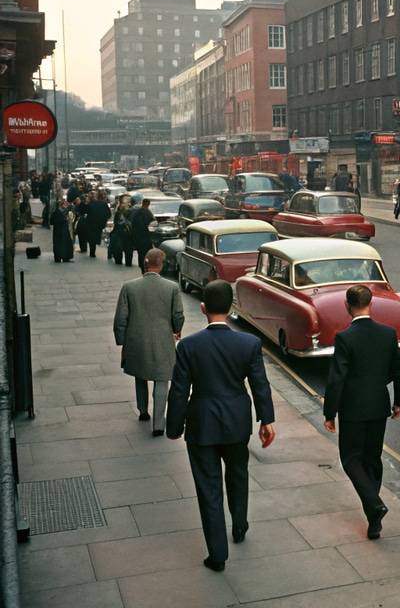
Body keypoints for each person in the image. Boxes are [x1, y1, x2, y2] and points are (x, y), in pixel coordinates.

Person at [167, 280, 275, 573]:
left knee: (209, 489)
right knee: (238, 475)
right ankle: (239, 526)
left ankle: (217, 555)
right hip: (238, 424)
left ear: (202, 308)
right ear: (231, 308)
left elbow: (179, 391)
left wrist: (174, 426)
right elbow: (259, 385)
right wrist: (267, 420)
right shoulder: (249, 344)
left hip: (202, 426)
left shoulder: (189, 346)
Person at [323, 285, 400, 540]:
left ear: (347, 306)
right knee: (372, 459)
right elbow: (397, 370)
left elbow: (337, 379)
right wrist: (398, 401)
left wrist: (329, 412)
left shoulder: (345, 337)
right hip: (379, 406)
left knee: (350, 459)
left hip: (353, 410)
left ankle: (375, 505)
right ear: (371, 304)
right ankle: (374, 520)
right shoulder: (388, 333)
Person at [113, 248, 184, 435]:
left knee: (140, 374)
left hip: (136, 339)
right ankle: (159, 424)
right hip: (162, 339)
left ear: (146, 264)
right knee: (162, 379)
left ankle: (143, 411)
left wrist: (122, 341)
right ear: (161, 265)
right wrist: (177, 330)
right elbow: (178, 314)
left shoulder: (129, 287)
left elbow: (121, 317)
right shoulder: (171, 288)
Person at [129, 197, 155, 271]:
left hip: (137, 235)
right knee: (146, 251)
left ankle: (141, 265)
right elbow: (151, 222)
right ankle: (145, 265)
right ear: (147, 204)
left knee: (140, 252)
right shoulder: (145, 212)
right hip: (144, 235)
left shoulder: (137, 212)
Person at [86, 190, 111, 258]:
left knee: (92, 239)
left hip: (92, 224)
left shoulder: (91, 204)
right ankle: (110, 253)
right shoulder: (104, 204)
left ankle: (92, 252)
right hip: (101, 224)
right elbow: (109, 214)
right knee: (106, 239)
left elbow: (86, 213)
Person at [51, 197, 74, 263]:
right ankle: (65, 257)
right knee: (64, 244)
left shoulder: (57, 211)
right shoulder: (62, 212)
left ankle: (58, 257)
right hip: (63, 231)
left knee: (58, 244)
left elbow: (52, 221)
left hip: (57, 231)